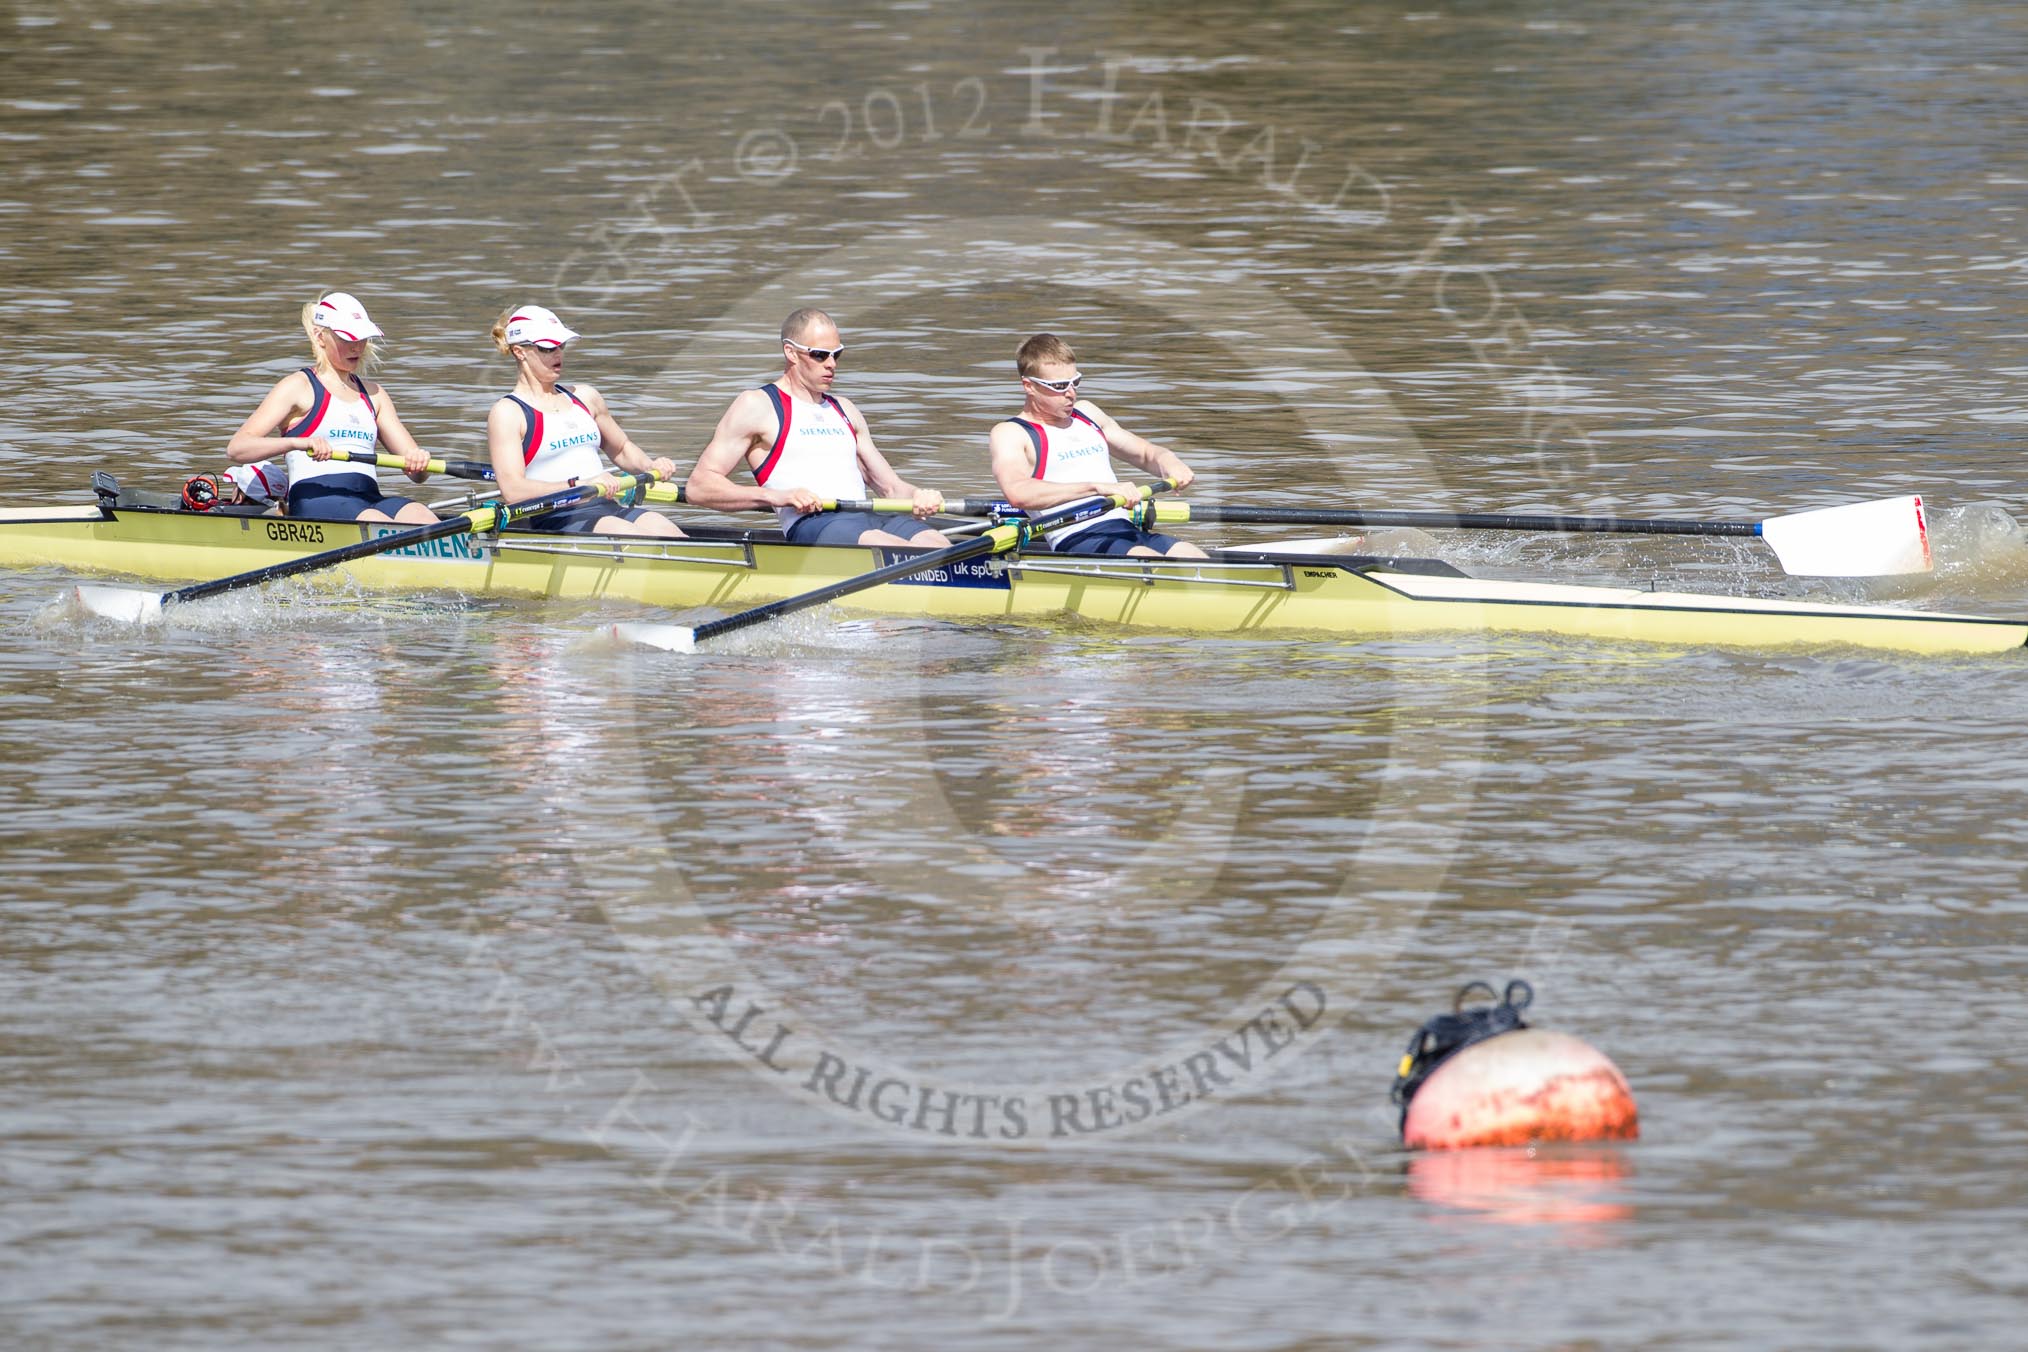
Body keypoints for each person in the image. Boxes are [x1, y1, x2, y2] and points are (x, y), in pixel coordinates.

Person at [684, 308, 950, 547]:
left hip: (869, 515)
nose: (831, 364)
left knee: (940, 545)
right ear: (791, 352)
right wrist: (776, 496)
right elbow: (700, 486)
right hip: (815, 523)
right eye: (820, 355)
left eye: (837, 354)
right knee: (896, 548)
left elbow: (891, 489)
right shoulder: (757, 405)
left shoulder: (845, 409)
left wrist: (918, 495)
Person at [225, 291, 438, 524]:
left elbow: (418, 476)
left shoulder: (375, 395)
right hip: (315, 498)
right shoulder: (298, 386)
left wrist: (419, 461)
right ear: (320, 336)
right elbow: (237, 448)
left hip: (369, 496)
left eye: (362, 338)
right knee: (376, 520)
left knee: (422, 516)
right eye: (347, 339)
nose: (357, 347)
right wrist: (298, 443)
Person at [987, 333, 1204, 558]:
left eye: (1075, 382)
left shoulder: (1087, 413)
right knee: (1147, 558)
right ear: (1029, 386)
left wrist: (1171, 463)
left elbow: (1146, 453)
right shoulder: (1011, 433)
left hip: (1124, 530)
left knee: (1192, 555)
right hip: (1077, 537)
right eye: (1059, 386)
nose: (1071, 393)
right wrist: (1097, 488)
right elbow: (1018, 492)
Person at [485, 305, 681, 536]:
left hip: (606, 506)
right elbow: (513, 490)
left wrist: (650, 466)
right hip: (554, 516)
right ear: (520, 352)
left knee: (670, 533)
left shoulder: (586, 397)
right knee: (634, 536)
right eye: (547, 348)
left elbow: (622, 449)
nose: (558, 354)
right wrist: (578, 485)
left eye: (561, 346)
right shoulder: (508, 412)